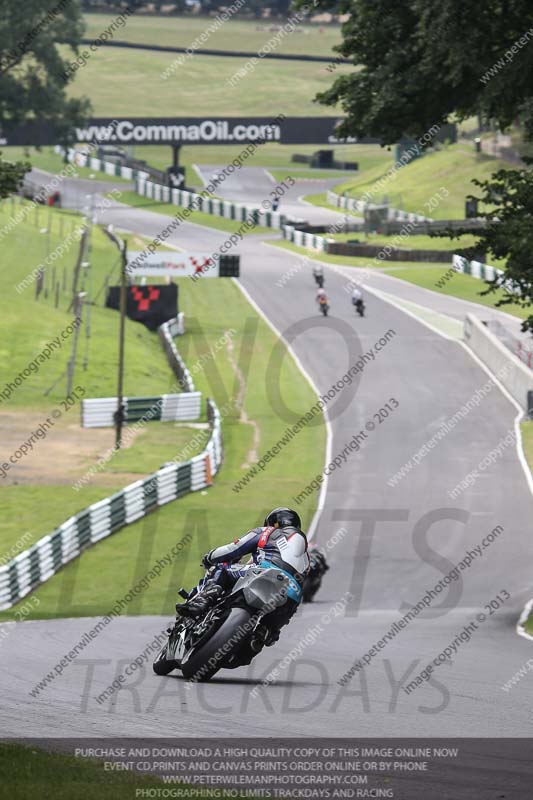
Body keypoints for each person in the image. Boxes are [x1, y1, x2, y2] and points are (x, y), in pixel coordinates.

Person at [175, 508, 310, 635]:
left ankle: (202, 601)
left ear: (272, 523)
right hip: (292, 596)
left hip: (265, 573)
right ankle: (262, 637)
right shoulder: (306, 557)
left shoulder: (267, 532)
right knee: (264, 635)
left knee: (221, 569)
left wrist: (210, 557)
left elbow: (234, 549)